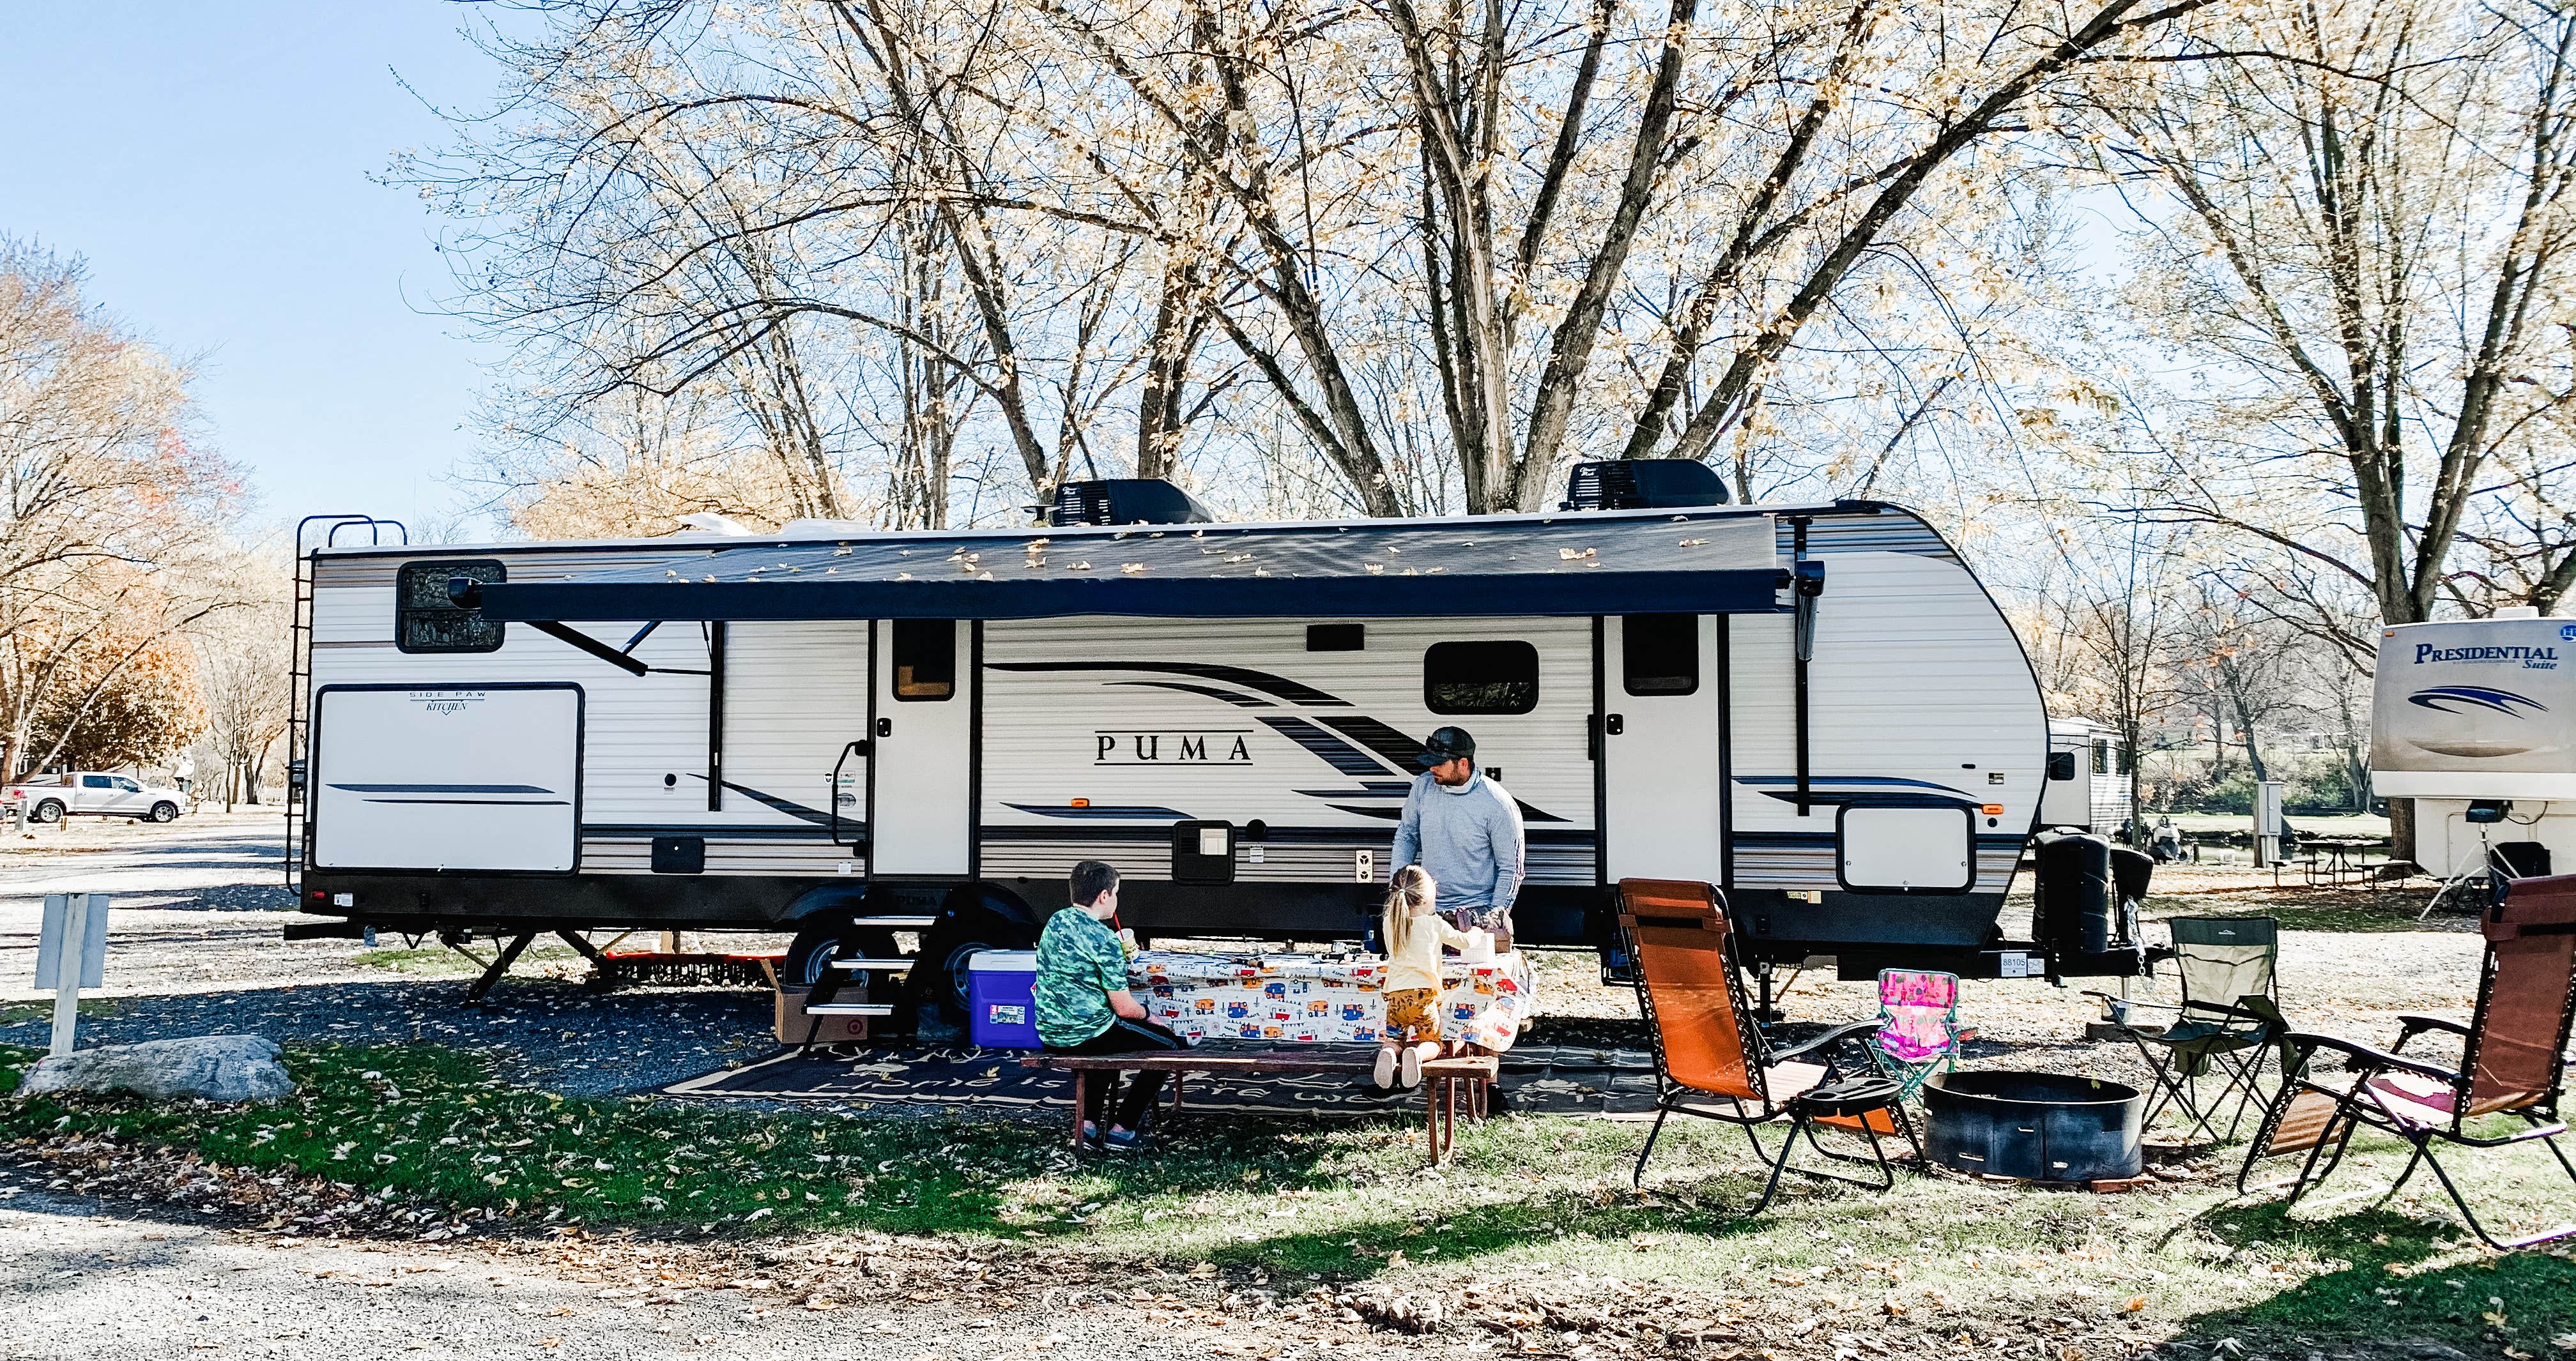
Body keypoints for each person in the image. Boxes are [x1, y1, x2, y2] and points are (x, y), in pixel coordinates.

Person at [1034, 860, 1181, 1151]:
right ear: (1104, 896)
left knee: (1108, 1040)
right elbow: (1125, 1008)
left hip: (1050, 1031)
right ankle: (1122, 1129)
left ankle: (1087, 1127)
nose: (1116, 899)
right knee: (1171, 1048)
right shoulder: (1104, 939)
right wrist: (1152, 1017)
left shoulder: (1056, 921)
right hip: (1085, 1033)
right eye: (1116, 893)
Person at [1390, 726, 1526, 948]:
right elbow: (1406, 836)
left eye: (1439, 763)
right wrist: (1398, 889)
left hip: (1475, 917)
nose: (1431, 768)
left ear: (1463, 763)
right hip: (1427, 912)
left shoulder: (1498, 803)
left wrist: (1494, 917)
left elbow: (1512, 869)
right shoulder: (1422, 788)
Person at [1374, 865, 1477, 1090]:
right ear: (1427, 898)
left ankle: (1390, 1053)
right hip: (1424, 998)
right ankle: (1418, 1055)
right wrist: (1477, 933)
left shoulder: (1389, 923)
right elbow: (1463, 942)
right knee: (1432, 1042)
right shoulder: (1435, 924)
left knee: (1394, 1039)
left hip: (1395, 999)